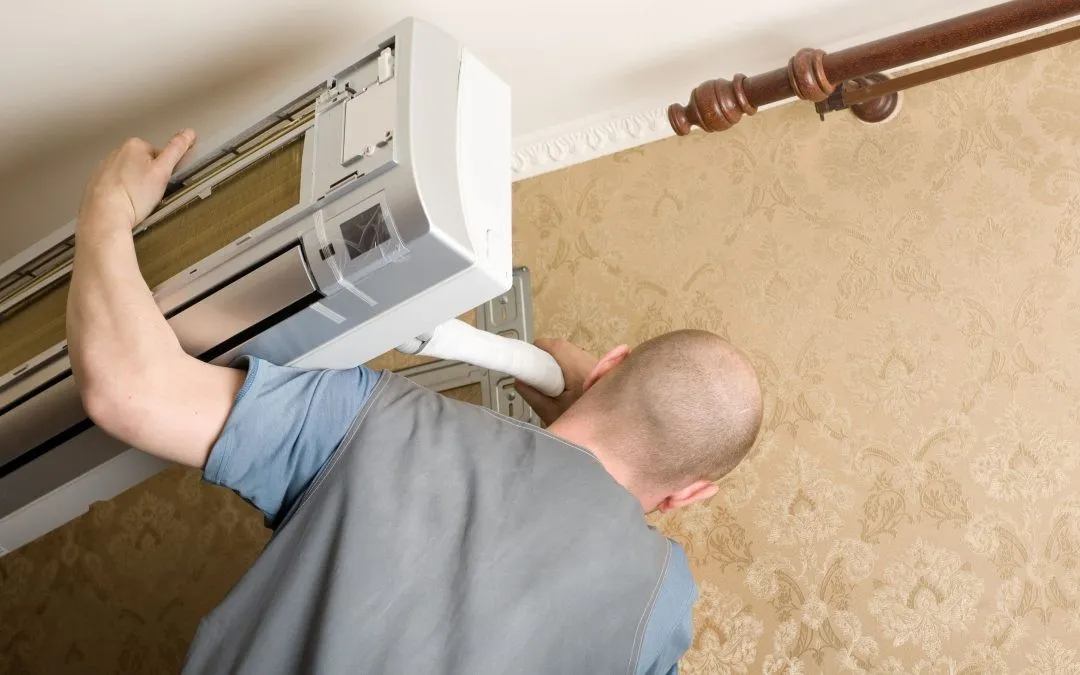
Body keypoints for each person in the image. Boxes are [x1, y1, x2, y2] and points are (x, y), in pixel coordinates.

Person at [67, 130, 764, 674]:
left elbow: (131, 387)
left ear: (609, 365)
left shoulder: (377, 419)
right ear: (689, 493)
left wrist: (109, 204)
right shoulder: (661, 605)